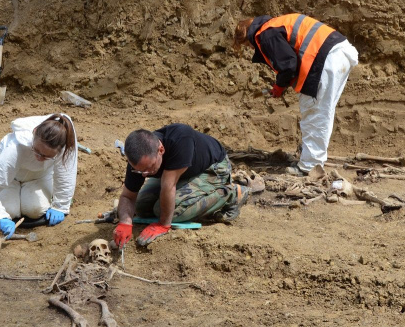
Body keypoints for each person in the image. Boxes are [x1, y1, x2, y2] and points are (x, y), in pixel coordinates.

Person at [233, 13, 359, 176]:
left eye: (247, 45)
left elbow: (289, 64)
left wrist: (279, 86)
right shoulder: (275, 24)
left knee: (314, 114)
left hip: (324, 60)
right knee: (322, 113)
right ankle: (314, 161)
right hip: (340, 51)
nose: (250, 48)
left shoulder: (265, 35)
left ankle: (309, 167)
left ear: (247, 37)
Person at [112, 123, 249, 247]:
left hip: (213, 168)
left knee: (171, 212)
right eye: (140, 170)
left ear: (161, 150)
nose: (144, 174)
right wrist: (125, 221)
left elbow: (168, 186)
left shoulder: (181, 139)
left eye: (149, 168)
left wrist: (163, 225)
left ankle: (231, 194)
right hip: (181, 173)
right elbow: (128, 196)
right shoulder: (140, 161)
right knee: (141, 207)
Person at [0, 113, 78, 238]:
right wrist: (0, 216)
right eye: (36, 151)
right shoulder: (15, 146)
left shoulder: (65, 145)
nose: (39, 158)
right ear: (34, 132)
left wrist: (60, 206)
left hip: (39, 177)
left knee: (34, 210)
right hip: (10, 178)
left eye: (46, 156)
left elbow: (66, 174)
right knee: (9, 210)